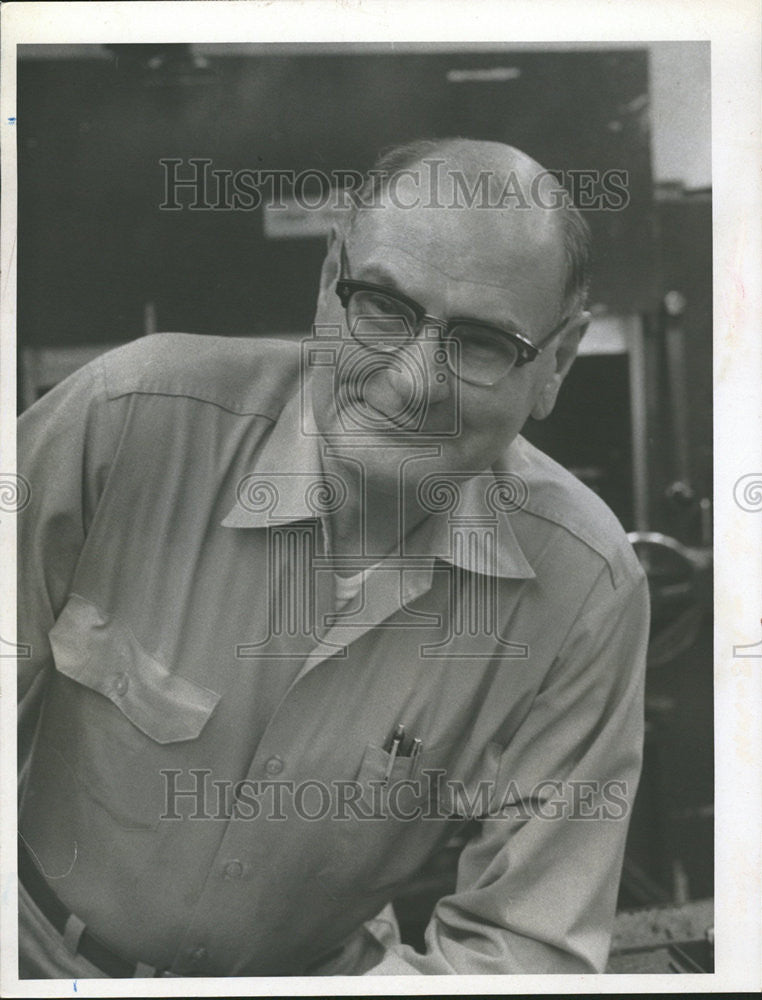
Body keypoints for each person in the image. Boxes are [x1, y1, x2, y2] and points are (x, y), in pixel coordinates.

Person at [17, 137, 649, 977]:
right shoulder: (124, 421)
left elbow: (522, 952)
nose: (414, 379)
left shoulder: (587, 587)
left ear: (557, 363)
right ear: (329, 281)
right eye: (383, 307)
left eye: (484, 342)